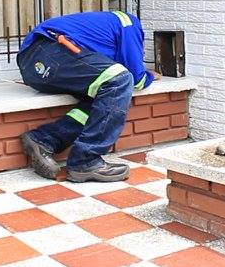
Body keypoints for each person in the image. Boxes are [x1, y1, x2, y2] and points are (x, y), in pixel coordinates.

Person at [17, 11, 161, 182]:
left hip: (34, 68)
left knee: (106, 96)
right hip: (48, 50)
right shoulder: (130, 24)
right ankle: (85, 161)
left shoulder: (100, 36)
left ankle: (45, 139)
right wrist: (149, 75)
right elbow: (137, 78)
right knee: (120, 80)